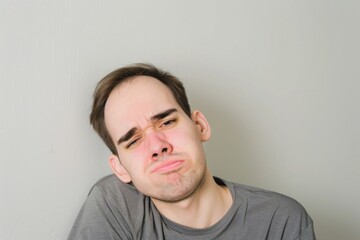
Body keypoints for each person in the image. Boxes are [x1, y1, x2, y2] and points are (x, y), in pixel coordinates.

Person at [68, 63, 316, 240]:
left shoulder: (281, 220)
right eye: (133, 141)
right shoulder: (114, 205)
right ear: (120, 169)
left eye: (166, 122)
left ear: (200, 126)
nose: (157, 146)